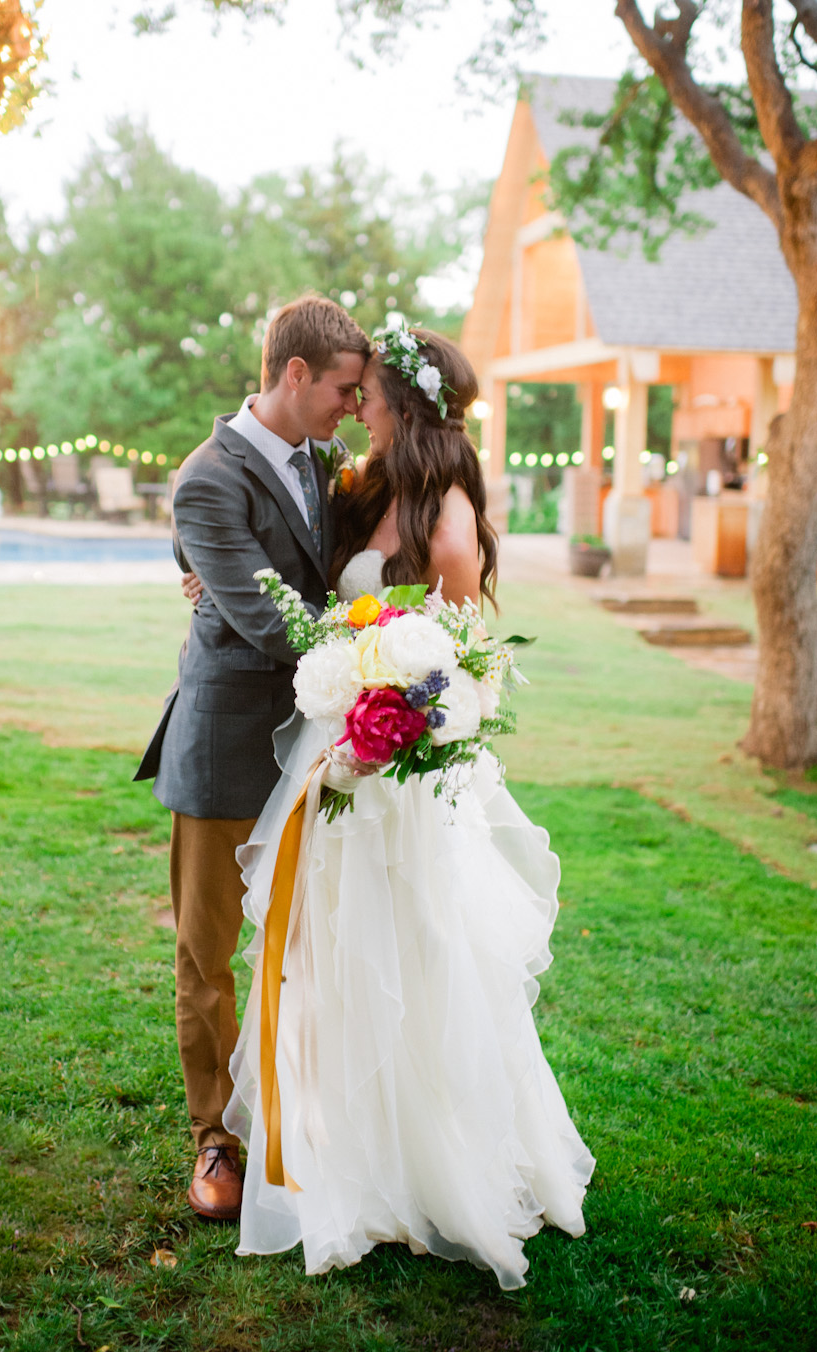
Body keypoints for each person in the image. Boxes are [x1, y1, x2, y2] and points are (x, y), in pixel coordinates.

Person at [222, 329, 595, 1289]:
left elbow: (471, 669)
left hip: (411, 782)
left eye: (370, 395)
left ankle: (429, 1167)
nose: (357, 406)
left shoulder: (449, 514)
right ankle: (344, 1147)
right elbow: (312, 589)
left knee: (416, 956)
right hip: (336, 762)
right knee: (334, 956)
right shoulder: (360, 490)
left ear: (402, 405)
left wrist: (403, 732)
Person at [134, 295, 371, 1223]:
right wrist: (378, 650)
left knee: (302, 948)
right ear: (296, 373)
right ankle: (215, 1143)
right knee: (212, 957)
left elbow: (329, 569)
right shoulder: (206, 477)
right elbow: (269, 617)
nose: (354, 407)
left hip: (311, 750)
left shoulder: (328, 464)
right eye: (344, 389)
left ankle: (291, 1117)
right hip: (228, 743)